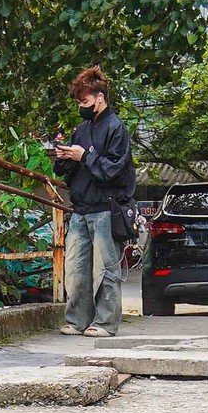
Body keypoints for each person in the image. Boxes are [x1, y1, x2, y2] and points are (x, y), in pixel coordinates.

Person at [51, 65, 136, 336]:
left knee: (106, 270)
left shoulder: (116, 128)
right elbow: (69, 172)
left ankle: (106, 323)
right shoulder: (81, 130)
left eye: (85, 101)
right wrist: (64, 158)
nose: (81, 105)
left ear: (99, 97)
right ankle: (77, 320)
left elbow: (114, 170)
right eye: (79, 102)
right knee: (75, 271)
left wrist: (84, 157)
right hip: (81, 208)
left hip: (106, 208)